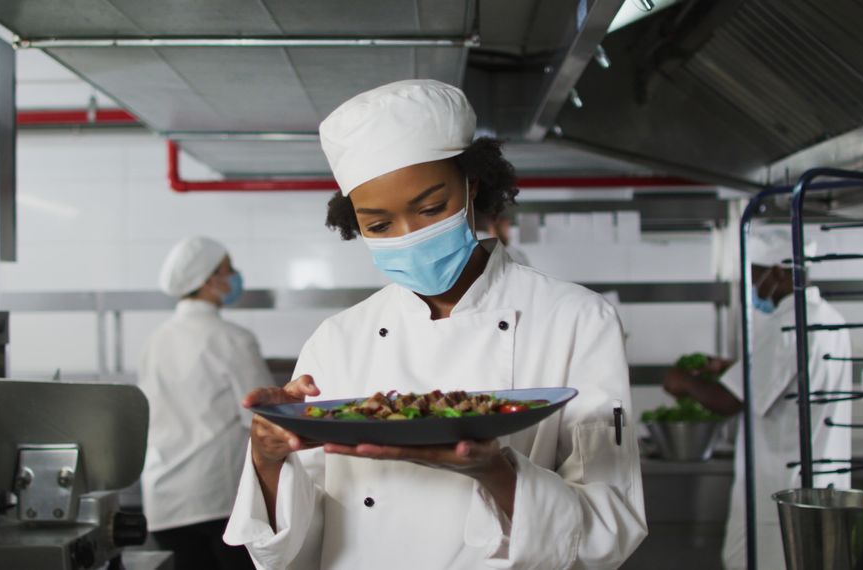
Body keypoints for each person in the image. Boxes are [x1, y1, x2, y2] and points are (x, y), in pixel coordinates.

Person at [223, 80, 646, 569]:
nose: (410, 237)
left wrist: (495, 471)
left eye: (429, 208)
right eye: (379, 226)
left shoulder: (575, 319)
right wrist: (269, 458)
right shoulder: (338, 340)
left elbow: (609, 530)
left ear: (471, 185)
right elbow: (285, 550)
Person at [662, 229, 852, 570]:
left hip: (779, 489)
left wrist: (685, 382)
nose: (754, 289)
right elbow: (788, 378)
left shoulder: (786, 326)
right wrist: (730, 367)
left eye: (756, 276)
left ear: (778, 272)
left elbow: (727, 401)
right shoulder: (829, 319)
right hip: (824, 481)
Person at [139, 236, 275, 570]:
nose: (234, 278)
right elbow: (265, 418)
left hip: (163, 500)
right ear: (208, 281)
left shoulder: (155, 340)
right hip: (217, 498)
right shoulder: (232, 339)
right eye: (228, 271)